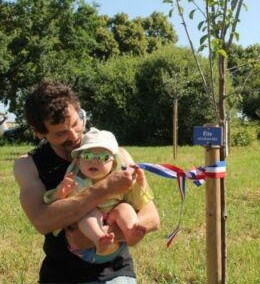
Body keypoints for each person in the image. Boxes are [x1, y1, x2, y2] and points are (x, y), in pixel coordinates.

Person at [14, 81, 160, 283]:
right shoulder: (29, 165)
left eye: (75, 123)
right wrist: (106, 188)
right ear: (39, 133)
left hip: (115, 272)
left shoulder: (113, 154)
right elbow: (42, 221)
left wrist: (105, 235)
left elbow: (152, 217)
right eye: (60, 133)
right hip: (61, 275)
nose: (74, 136)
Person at [44, 127, 154, 263]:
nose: (94, 161)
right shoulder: (74, 181)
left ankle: (130, 232)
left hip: (116, 245)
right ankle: (100, 239)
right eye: (88, 156)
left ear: (113, 163)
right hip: (83, 249)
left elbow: (138, 203)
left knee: (125, 207)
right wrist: (60, 194)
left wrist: (139, 184)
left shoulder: (120, 181)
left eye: (102, 157)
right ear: (78, 161)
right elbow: (56, 211)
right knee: (88, 214)